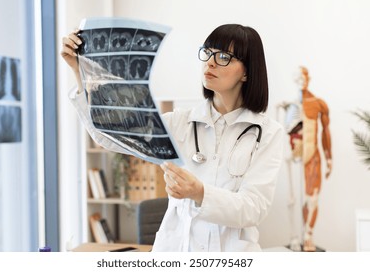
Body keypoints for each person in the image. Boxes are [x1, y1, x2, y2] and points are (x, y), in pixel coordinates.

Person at [61, 23, 284, 251]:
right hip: (176, 249)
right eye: (207, 53)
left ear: (247, 72)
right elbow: (108, 136)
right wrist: (81, 71)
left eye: (224, 56)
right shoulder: (178, 123)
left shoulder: (267, 133)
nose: (210, 62)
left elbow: (253, 208)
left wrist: (199, 193)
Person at [295, 66, 332, 251]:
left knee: (313, 198)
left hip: (313, 157)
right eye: (298, 79)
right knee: (299, 199)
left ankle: (308, 235)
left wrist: (329, 157)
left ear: (308, 79)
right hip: (296, 159)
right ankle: (302, 234)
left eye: (303, 78)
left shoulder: (318, 103)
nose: (301, 82)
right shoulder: (292, 106)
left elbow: (326, 131)